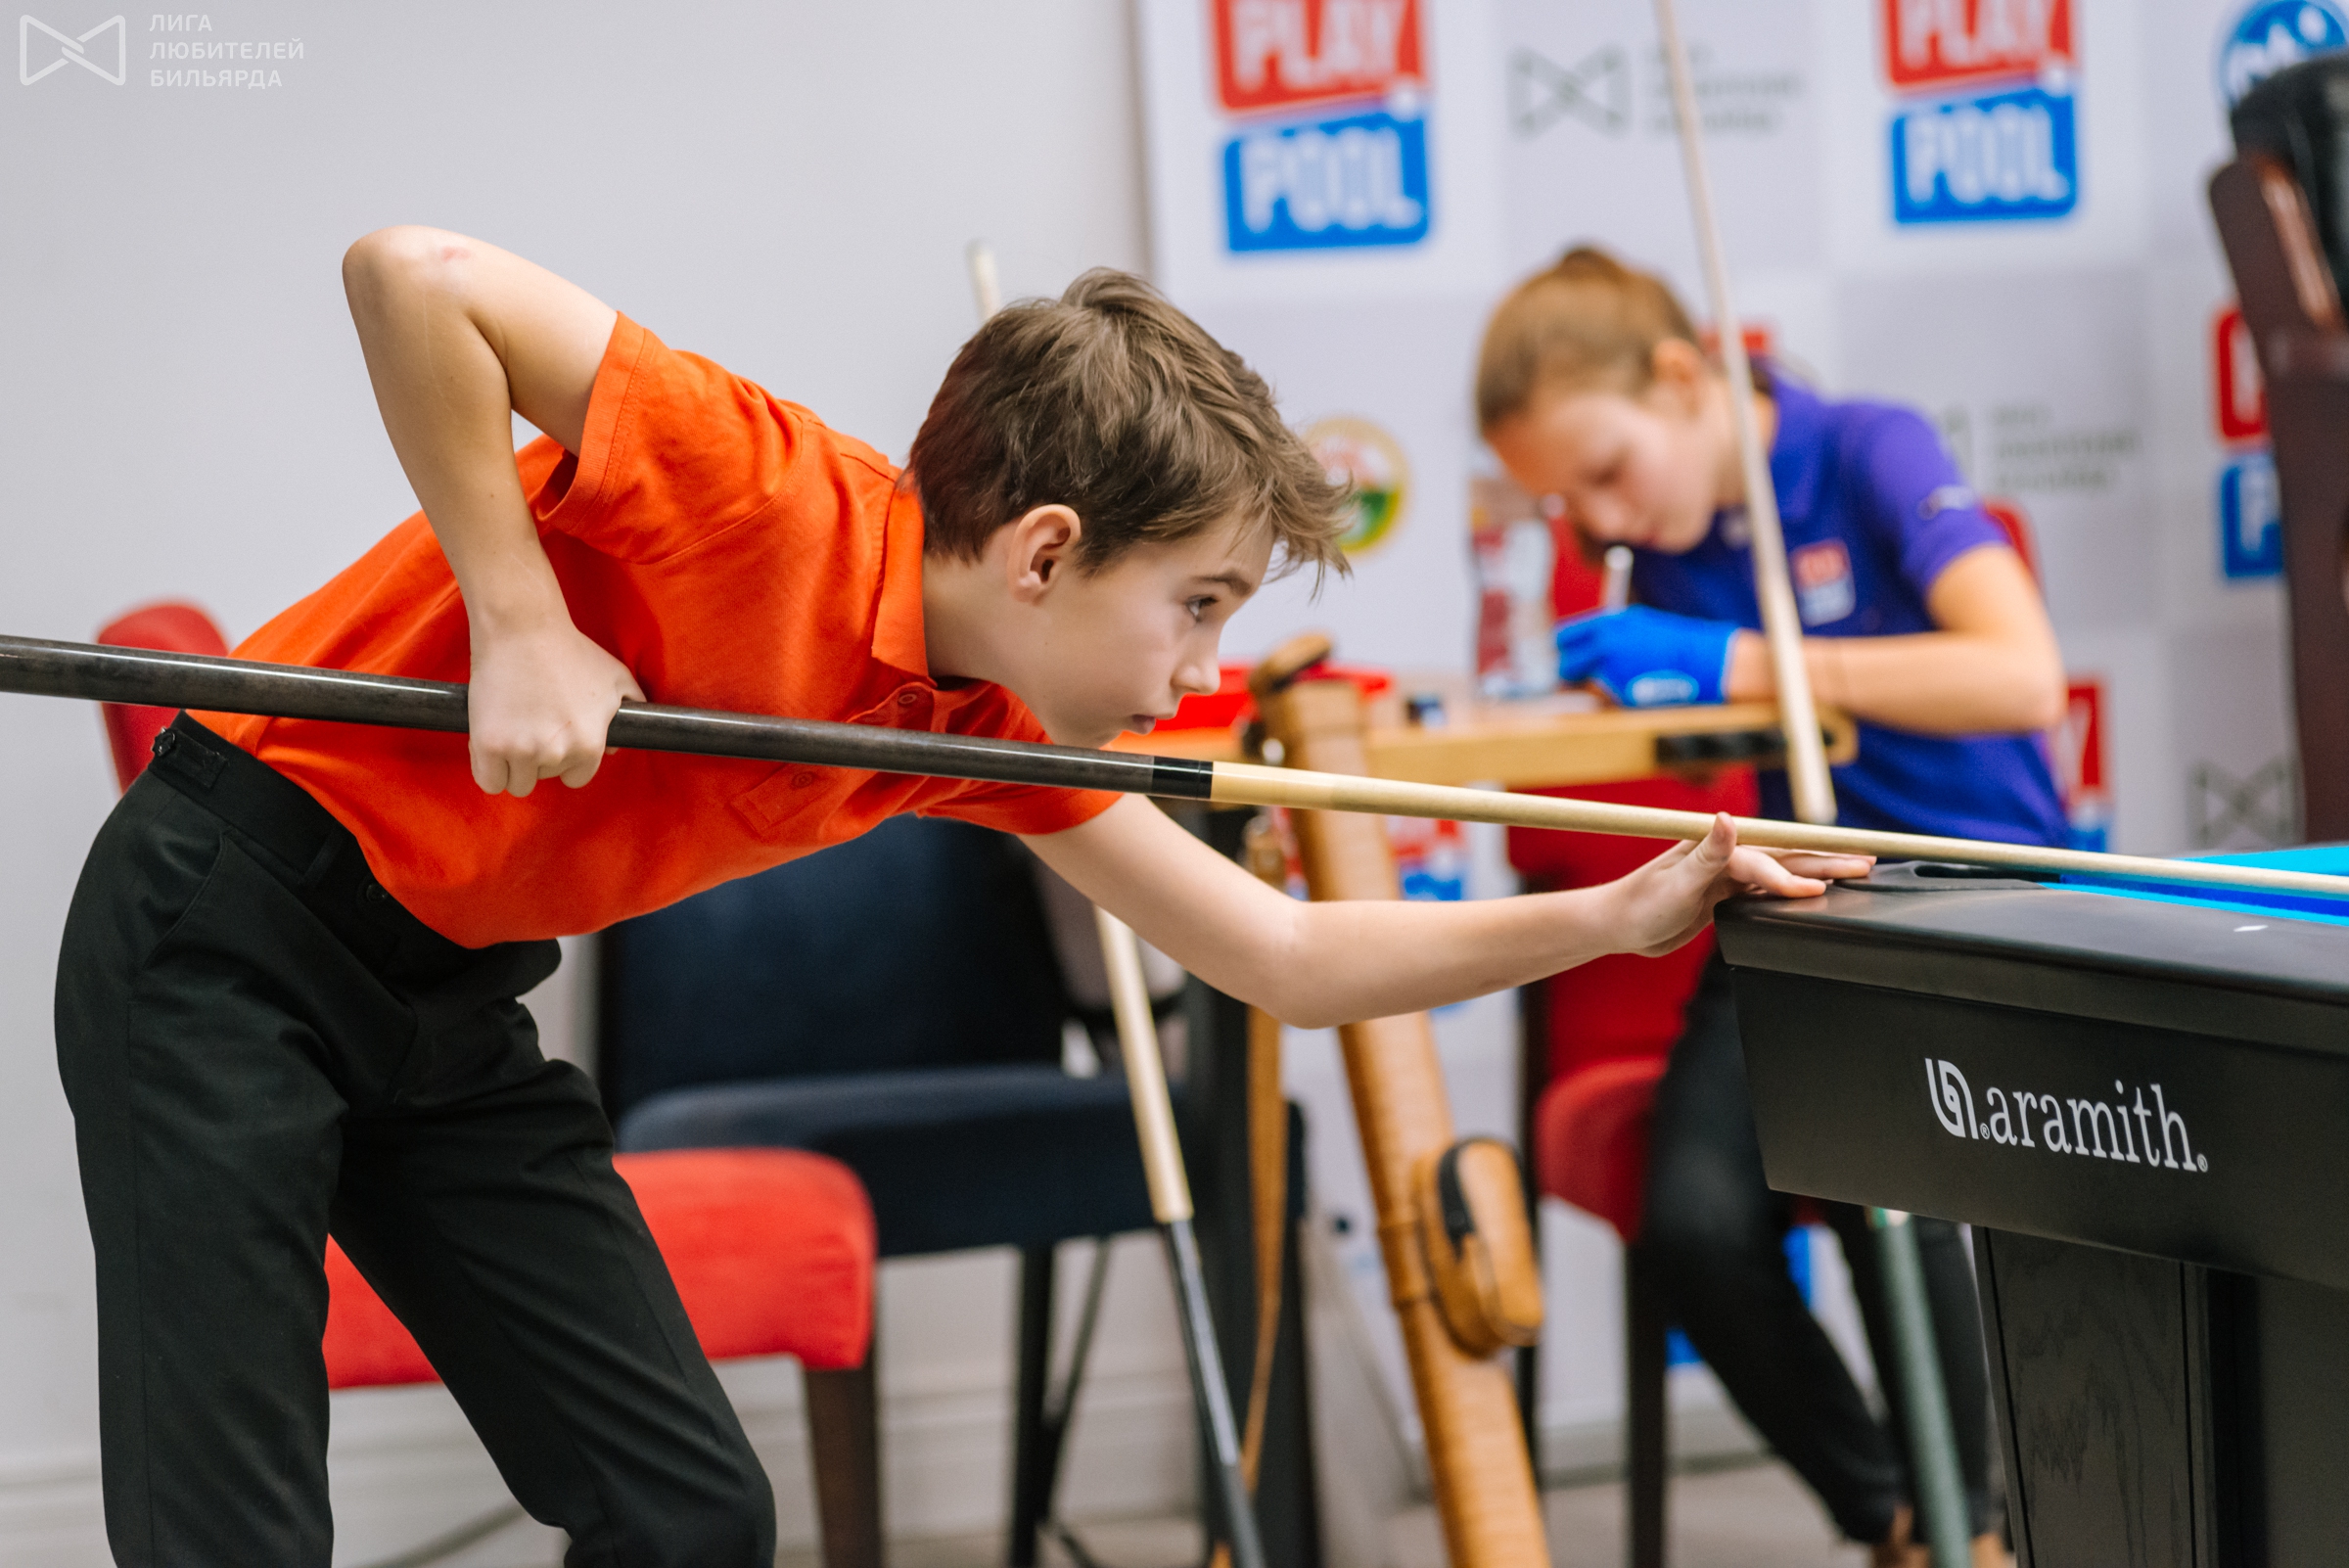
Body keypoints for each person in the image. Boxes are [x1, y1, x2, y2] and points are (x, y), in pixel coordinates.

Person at [53, 229, 1868, 1568]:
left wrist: (1624, 913)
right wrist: (518, 616)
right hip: (226, 929)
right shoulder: (764, 490)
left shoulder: (979, 722)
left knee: (689, 1513)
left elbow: (1287, 952)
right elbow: (410, 275)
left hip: (441, 999)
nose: (1198, 670)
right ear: (1048, 551)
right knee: (236, 1540)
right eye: (1199, 605)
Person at [1478, 247, 2066, 1568]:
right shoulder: (1661, 547)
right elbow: (1699, 751)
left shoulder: (1868, 449)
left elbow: (2020, 674)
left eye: (1608, 471)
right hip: (1799, 907)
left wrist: (1743, 659)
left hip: (1966, 895)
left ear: (1683, 378)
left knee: (1878, 1179)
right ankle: (1904, 1521)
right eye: (1567, 504)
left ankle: (1978, 1531)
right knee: (1688, 1222)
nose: (1603, 523)